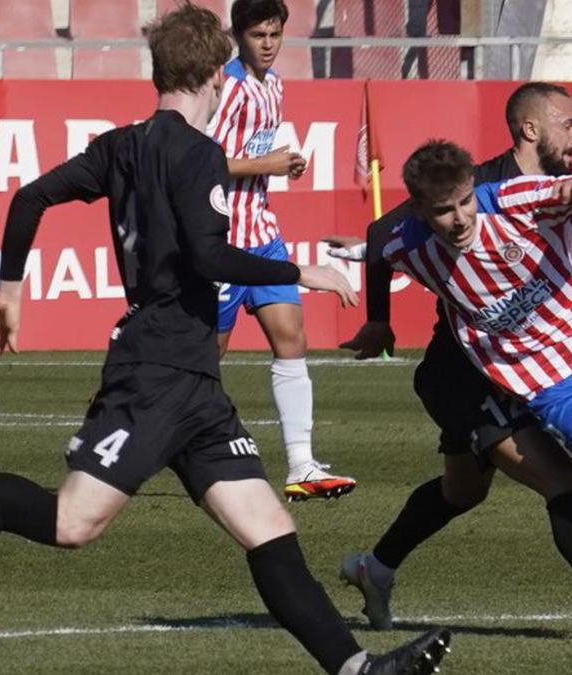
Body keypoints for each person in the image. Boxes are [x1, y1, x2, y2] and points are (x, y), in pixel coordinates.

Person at [0, 5, 450, 673]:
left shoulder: (121, 145)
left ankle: (358, 668)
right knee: (71, 522)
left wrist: (8, 288)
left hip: (194, 378)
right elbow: (209, 256)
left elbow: (29, 197)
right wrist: (304, 271)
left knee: (269, 528)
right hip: (155, 368)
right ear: (213, 75)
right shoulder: (198, 152)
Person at [328, 84, 572, 643]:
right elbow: (381, 238)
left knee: (462, 492)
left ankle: (375, 568)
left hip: (542, 361)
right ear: (530, 129)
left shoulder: (526, 193)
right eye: (567, 125)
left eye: (463, 204)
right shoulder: (463, 197)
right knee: (562, 485)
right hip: (466, 378)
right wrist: (380, 321)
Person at [208, 0, 355, 502]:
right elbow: (202, 164)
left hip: (264, 234)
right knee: (205, 357)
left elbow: (255, 158)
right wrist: (265, 164)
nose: (268, 44)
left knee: (292, 340)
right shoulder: (227, 88)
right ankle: (123, 417)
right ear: (238, 35)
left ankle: (301, 466)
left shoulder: (274, 86)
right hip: (222, 242)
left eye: (275, 34)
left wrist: (280, 166)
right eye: (258, 35)